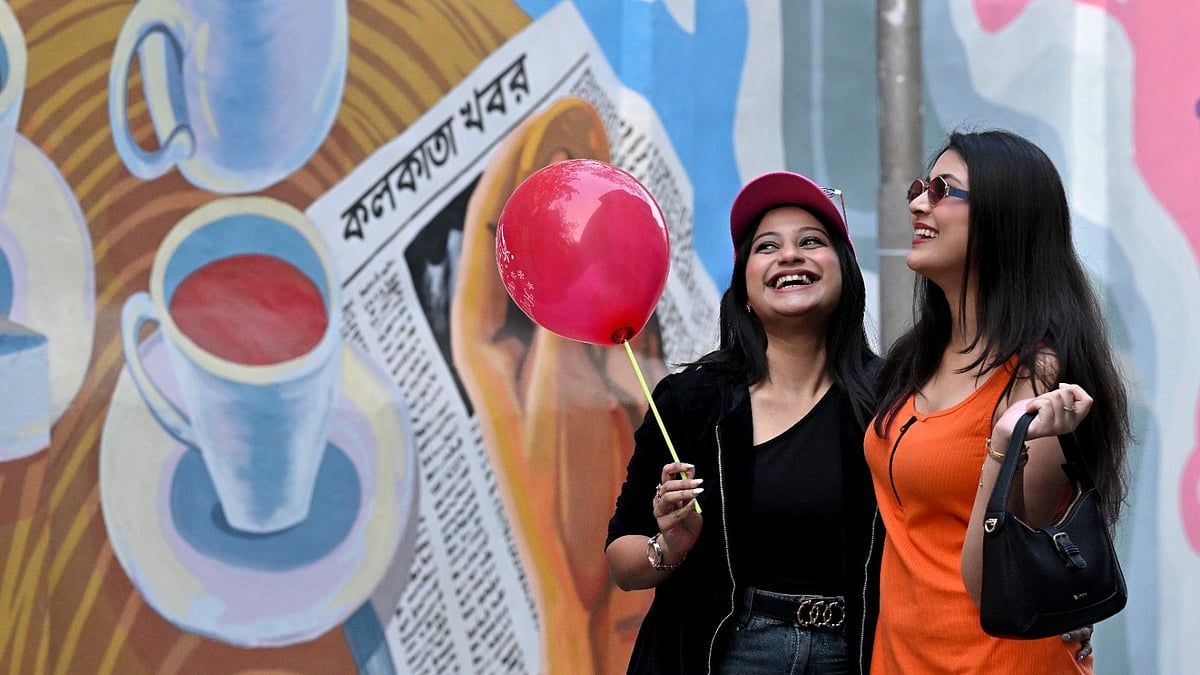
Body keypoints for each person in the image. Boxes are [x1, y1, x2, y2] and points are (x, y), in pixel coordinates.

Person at [865, 129, 1131, 674]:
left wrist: (1005, 443)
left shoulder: (1038, 376)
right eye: (920, 187)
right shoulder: (915, 357)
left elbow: (994, 583)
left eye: (942, 190)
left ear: (1003, 216)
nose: (917, 203)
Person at [605, 171, 884, 674]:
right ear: (745, 289)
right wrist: (669, 545)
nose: (789, 255)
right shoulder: (691, 401)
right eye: (767, 246)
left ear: (845, 270)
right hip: (723, 655)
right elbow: (622, 562)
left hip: (857, 653)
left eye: (811, 242)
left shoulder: (893, 400)